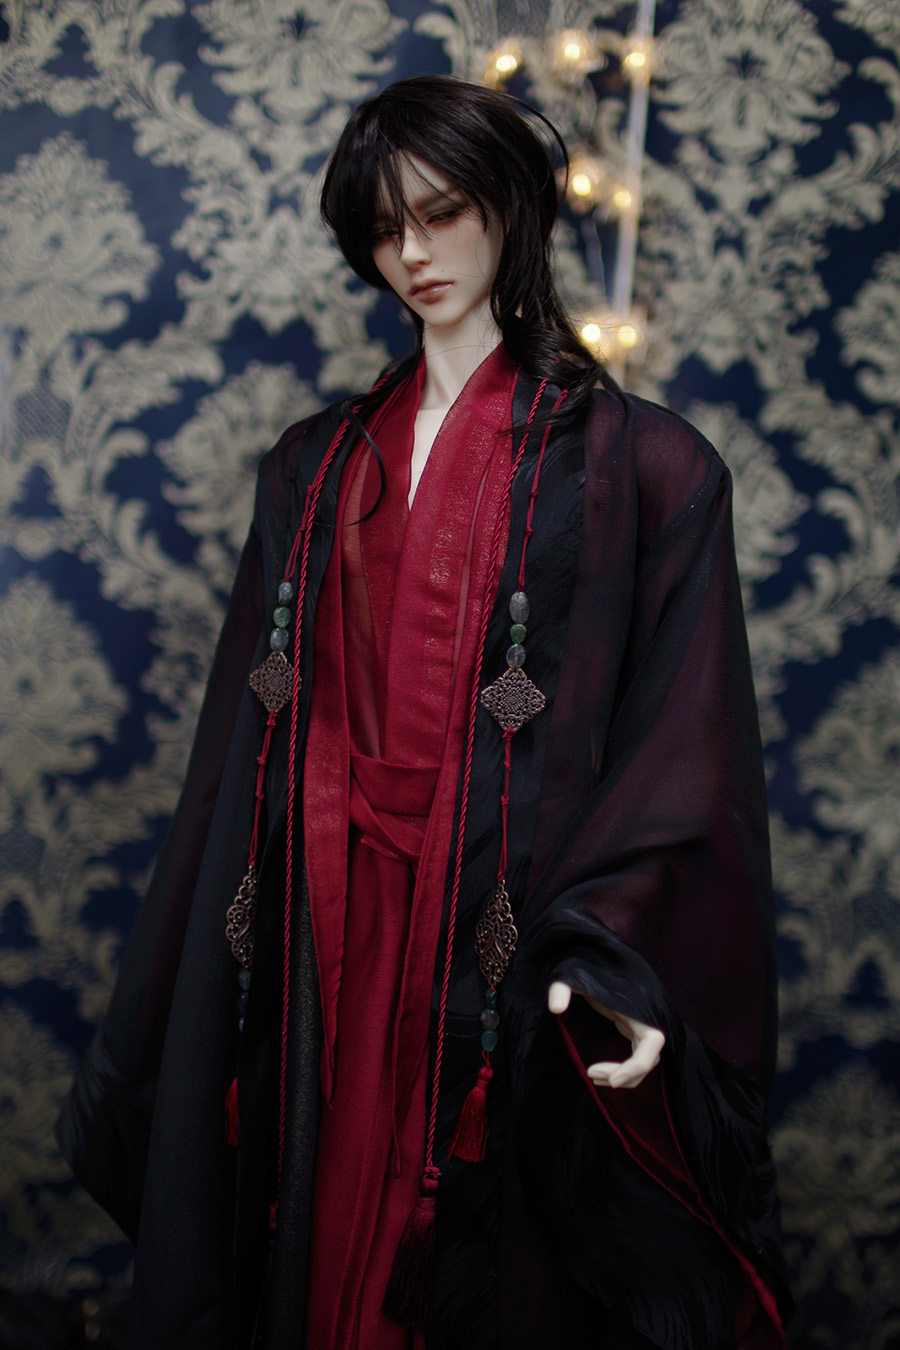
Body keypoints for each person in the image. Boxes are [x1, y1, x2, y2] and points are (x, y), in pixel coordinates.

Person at [57, 74, 791, 1349]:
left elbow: (687, 744)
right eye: (384, 227)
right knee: (309, 1229)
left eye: (442, 212)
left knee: (478, 1267)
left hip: (506, 934)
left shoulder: (647, 466)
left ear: (507, 207)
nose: (414, 253)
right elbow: (241, 746)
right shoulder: (312, 466)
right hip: (324, 926)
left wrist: (620, 956)